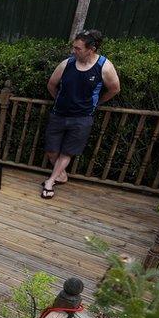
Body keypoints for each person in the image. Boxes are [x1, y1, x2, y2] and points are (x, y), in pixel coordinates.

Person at [42, 29, 121, 199]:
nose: (74, 51)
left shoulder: (104, 67)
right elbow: (51, 84)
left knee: (68, 152)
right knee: (51, 149)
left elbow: (115, 89)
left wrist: (97, 103)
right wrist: (59, 100)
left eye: (78, 48)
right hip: (59, 114)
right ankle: (61, 175)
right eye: (74, 47)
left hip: (82, 118)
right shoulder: (67, 64)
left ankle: (50, 181)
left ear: (91, 49)